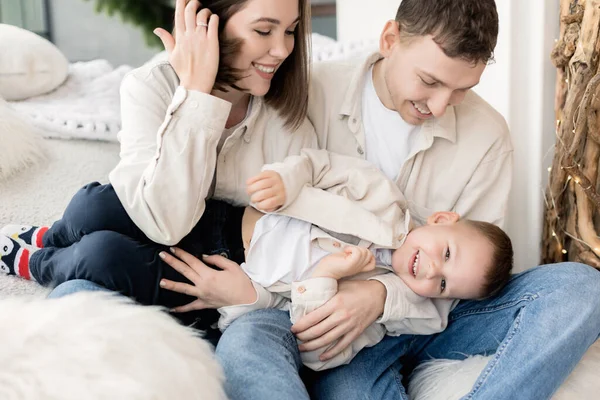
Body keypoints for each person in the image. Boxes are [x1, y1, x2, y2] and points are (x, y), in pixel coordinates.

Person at [206, 1, 600, 399]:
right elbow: (251, 189)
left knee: (582, 289)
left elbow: (466, 273)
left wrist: (379, 297)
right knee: (245, 347)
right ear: (390, 39)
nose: (441, 106)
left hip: (429, 318)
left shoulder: (488, 136)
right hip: (307, 312)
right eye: (429, 81)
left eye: (463, 89)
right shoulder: (311, 90)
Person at [0, 0, 316, 330]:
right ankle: (52, 236)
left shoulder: (291, 121)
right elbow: (159, 213)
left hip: (221, 266)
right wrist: (196, 93)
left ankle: (35, 260)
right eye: (263, 30)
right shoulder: (149, 85)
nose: (282, 49)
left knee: (101, 255)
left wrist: (256, 294)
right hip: (168, 215)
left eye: (291, 31)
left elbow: (170, 227)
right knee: (93, 205)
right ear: (206, 24)